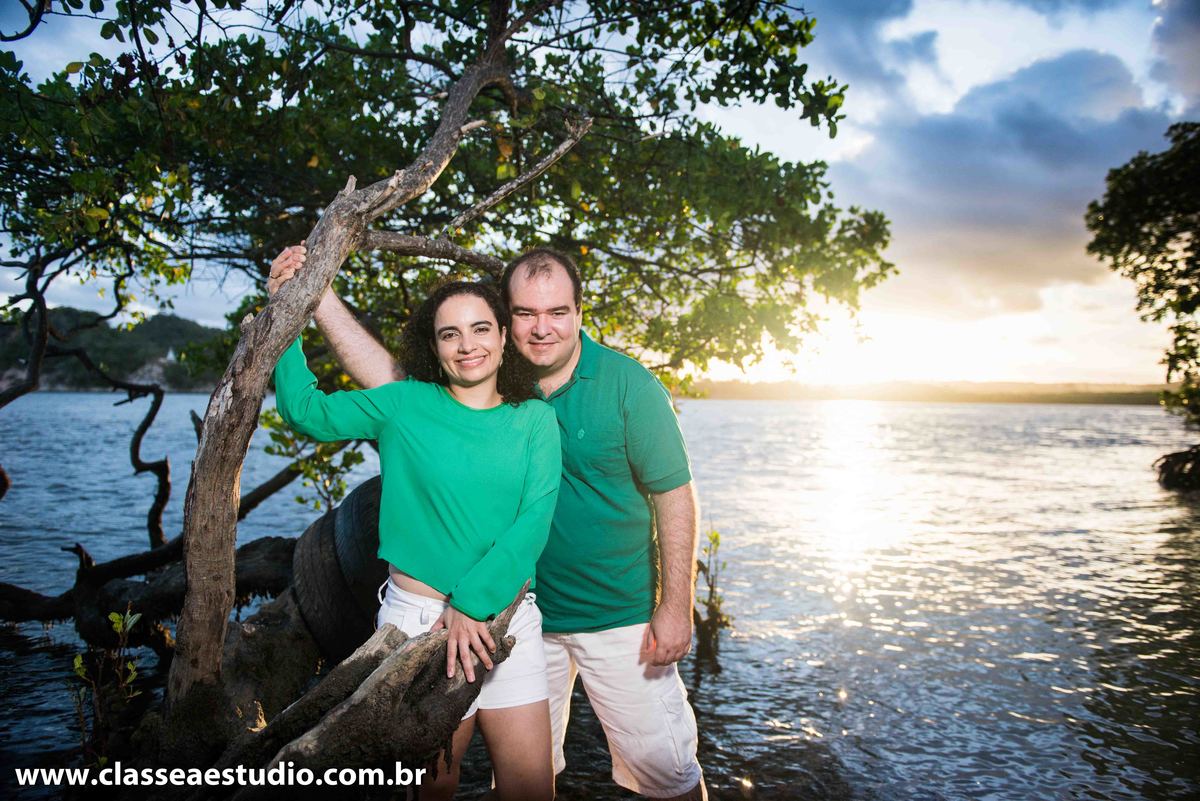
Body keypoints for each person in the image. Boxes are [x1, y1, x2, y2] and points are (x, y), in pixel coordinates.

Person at [270, 244, 707, 801]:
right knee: (473, 778)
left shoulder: (600, 396)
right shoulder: (430, 396)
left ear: (578, 313)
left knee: (663, 770)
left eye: (557, 313)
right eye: (526, 313)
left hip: (591, 615)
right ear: (506, 324)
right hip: (492, 617)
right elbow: (348, 400)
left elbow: (658, 496)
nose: (541, 327)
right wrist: (300, 302)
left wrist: (675, 605)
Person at [268, 274, 561, 801]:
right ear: (434, 346)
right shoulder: (402, 404)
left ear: (501, 335)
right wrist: (287, 317)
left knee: (531, 789)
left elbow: (535, 519)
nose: (467, 345)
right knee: (432, 787)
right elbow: (305, 412)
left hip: (508, 620)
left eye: (479, 329)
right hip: (416, 624)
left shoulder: (536, 418)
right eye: (450, 334)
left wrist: (472, 605)